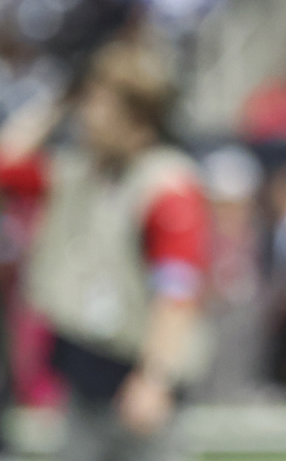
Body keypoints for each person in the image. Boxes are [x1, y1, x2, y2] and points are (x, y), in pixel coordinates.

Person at [0, 38, 211, 461]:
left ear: (140, 122)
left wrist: (155, 379)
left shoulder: (166, 187)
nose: (88, 118)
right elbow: (5, 165)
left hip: (136, 375)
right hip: (83, 368)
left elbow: (176, 292)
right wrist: (60, 101)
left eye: (102, 107)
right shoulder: (78, 171)